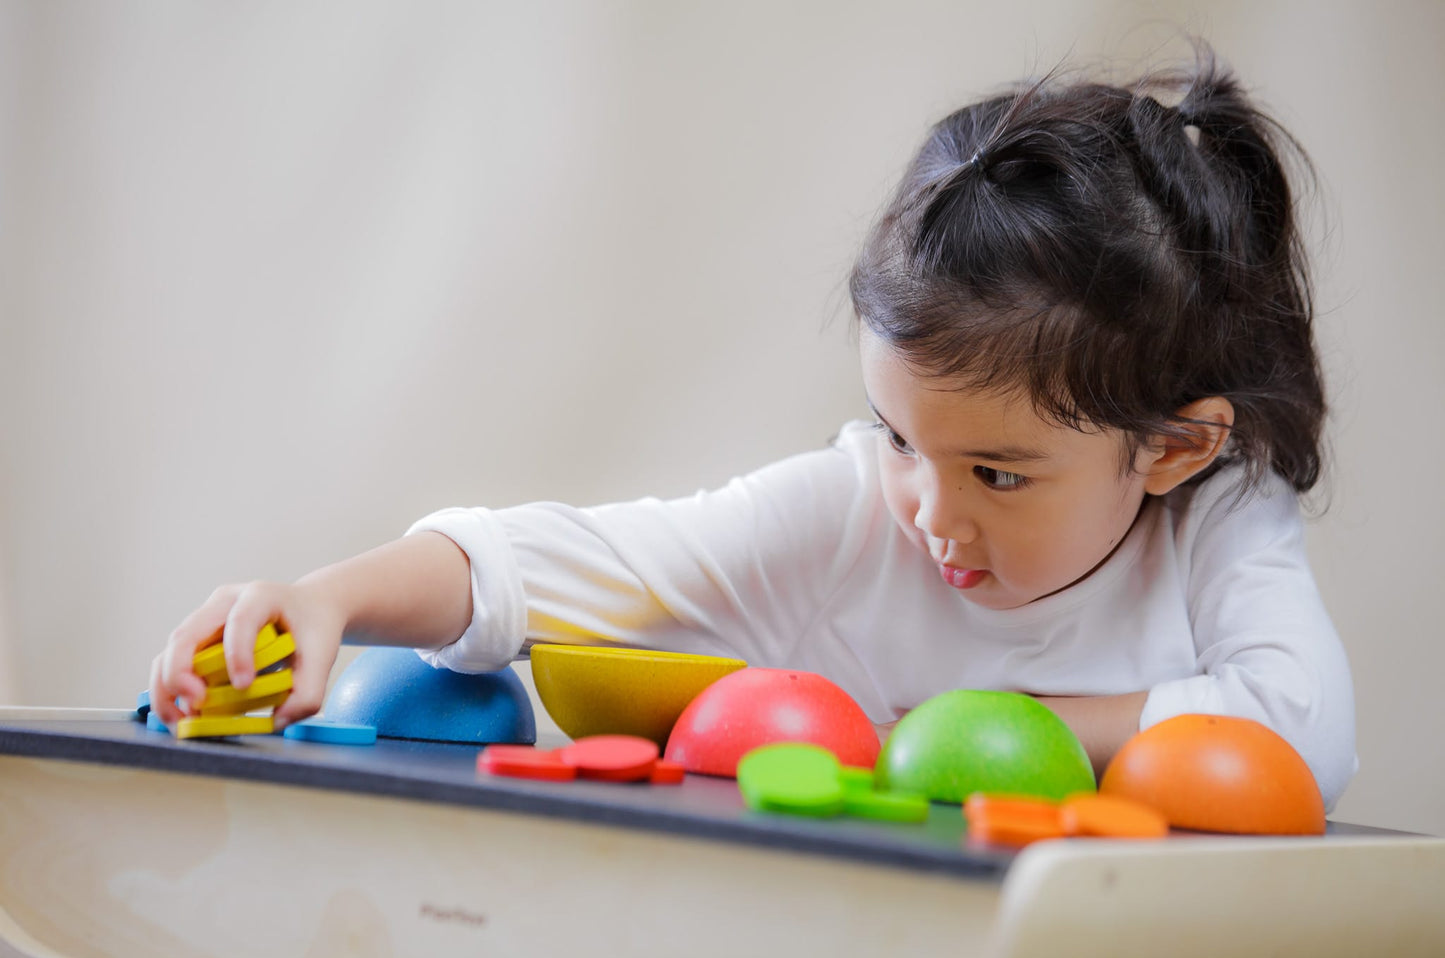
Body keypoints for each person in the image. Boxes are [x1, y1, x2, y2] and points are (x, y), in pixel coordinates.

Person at [150, 47, 1356, 809]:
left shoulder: (1216, 521)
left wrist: (938, 735)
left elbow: (1302, 731)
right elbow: (566, 559)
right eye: (897, 438)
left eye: (996, 470)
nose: (931, 514)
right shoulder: (847, 516)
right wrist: (329, 601)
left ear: (1171, 447)